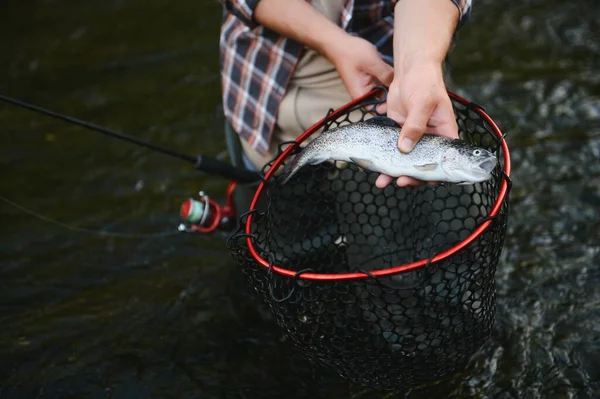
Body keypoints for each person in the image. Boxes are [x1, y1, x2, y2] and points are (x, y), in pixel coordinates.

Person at [218, 0, 471, 200]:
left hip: (383, 76)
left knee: (387, 214)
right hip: (256, 88)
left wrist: (420, 65)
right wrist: (335, 45)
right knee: (277, 202)